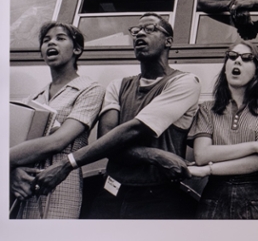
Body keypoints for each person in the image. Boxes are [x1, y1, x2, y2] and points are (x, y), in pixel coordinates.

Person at [36, 13, 202, 219]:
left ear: (168, 41)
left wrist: (67, 163)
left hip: (157, 196)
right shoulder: (118, 85)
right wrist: (155, 155)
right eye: (135, 31)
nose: (140, 33)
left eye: (149, 29)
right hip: (111, 191)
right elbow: (106, 139)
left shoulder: (185, 82)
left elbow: (134, 129)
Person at [10, 22, 104, 219]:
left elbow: (58, 141)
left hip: (62, 180)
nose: (51, 43)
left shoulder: (90, 89)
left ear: (77, 49)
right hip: (25, 183)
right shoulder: (33, 98)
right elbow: (19, 142)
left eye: (60, 38)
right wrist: (13, 171)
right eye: (46, 40)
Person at [186, 41, 258, 219]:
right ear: (225, 68)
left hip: (257, 197)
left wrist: (208, 170)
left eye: (246, 58)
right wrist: (254, 146)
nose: (237, 61)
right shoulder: (208, 108)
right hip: (215, 195)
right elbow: (202, 154)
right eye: (232, 57)